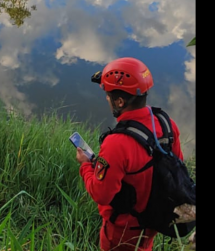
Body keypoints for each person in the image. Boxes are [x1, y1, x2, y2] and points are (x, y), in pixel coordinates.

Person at [75, 57, 186, 251]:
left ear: (120, 101)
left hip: (122, 231)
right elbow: (178, 167)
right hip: (153, 221)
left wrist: (85, 165)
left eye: (108, 95)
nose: (107, 99)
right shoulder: (167, 124)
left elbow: (101, 194)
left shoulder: (116, 143)